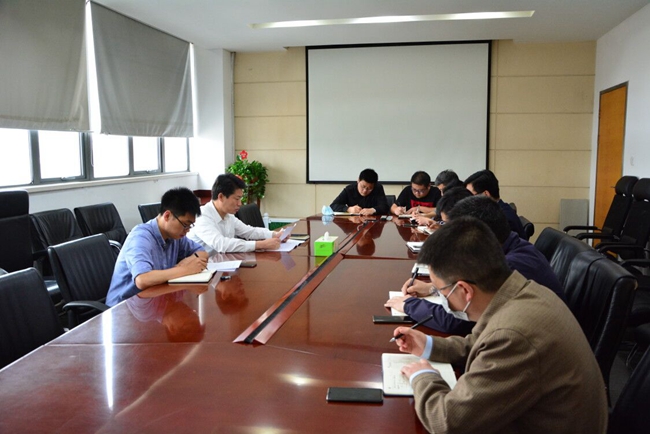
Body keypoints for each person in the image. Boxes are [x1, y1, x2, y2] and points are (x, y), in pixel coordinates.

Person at [392, 217, 608, 433]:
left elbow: (448, 422)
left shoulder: (513, 335)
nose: (441, 298)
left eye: (440, 292)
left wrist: (422, 376)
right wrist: (429, 344)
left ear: (465, 290)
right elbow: (479, 342)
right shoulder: (521, 292)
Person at [387, 195, 566, 335]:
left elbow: (458, 321)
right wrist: (434, 288)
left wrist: (409, 305)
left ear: (477, 236)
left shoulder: (509, 268)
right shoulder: (511, 247)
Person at [106, 187, 209, 306]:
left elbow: (202, 252)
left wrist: (188, 261)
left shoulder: (175, 236)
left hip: (153, 300)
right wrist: (186, 269)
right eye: (185, 225)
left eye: (190, 226)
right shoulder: (140, 237)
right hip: (124, 307)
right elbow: (142, 279)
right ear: (167, 216)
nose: (187, 230)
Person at [187, 173, 282, 252]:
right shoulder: (201, 216)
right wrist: (260, 244)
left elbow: (249, 231)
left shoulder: (228, 215)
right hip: (204, 266)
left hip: (223, 263)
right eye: (237, 199)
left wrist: (274, 234)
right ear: (221, 197)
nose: (240, 203)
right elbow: (221, 244)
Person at [464, 169, 528, 239]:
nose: (468, 200)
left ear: (485, 194)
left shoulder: (503, 221)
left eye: (470, 196)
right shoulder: (498, 211)